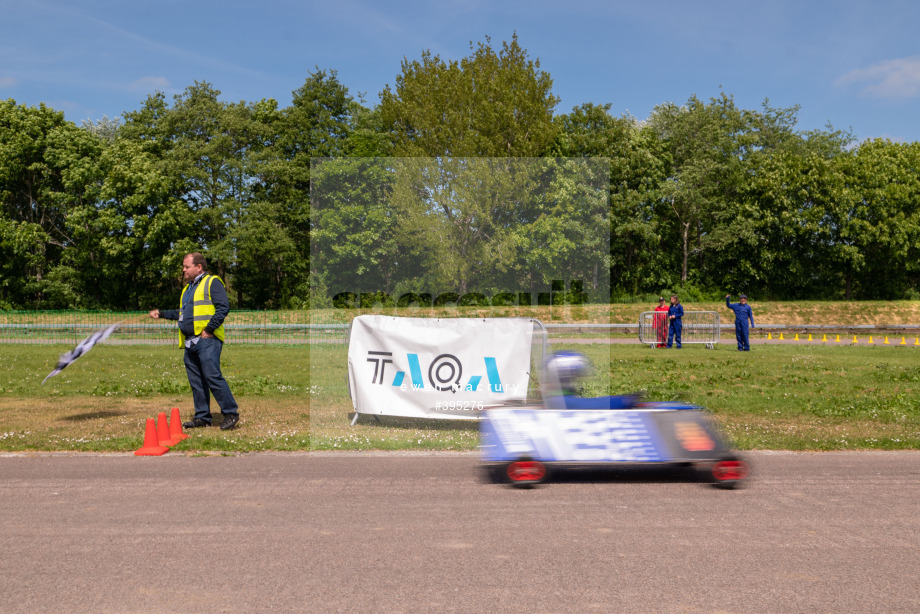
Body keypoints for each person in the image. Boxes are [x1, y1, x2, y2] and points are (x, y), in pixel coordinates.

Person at [149, 253, 239, 430]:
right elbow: (181, 314)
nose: (183, 270)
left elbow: (223, 308)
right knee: (196, 382)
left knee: (212, 376)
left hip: (207, 340)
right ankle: (202, 417)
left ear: (199, 267)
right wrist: (161, 313)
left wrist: (209, 329)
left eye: (186, 266)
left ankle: (230, 413)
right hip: (190, 343)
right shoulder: (187, 289)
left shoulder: (212, 282)